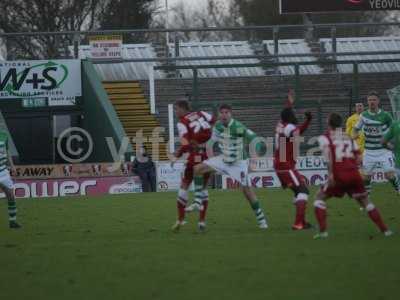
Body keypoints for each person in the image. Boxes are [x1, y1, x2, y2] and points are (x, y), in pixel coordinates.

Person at [314, 113, 392, 239]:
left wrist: (331, 175)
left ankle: (323, 232)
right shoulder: (347, 137)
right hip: (354, 174)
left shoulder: (325, 138)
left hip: (339, 175)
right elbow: (359, 158)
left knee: (319, 197)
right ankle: (386, 230)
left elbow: (329, 159)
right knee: (365, 202)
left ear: (328, 122)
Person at [194, 104, 268, 229]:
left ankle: (262, 220)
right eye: (221, 112)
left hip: (238, 163)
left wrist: (254, 160)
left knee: (247, 191)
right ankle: (197, 200)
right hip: (223, 160)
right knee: (198, 169)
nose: (224, 115)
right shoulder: (217, 126)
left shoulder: (238, 127)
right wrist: (208, 154)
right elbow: (211, 142)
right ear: (218, 114)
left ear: (231, 114)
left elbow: (255, 140)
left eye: (226, 112)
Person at [171, 100, 215, 232]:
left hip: (194, 155)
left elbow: (185, 143)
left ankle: (180, 219)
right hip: (208, 154)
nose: (175, 112)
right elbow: (213, 120)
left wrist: (176, 155)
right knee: (203, 188)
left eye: (176, 109)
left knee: (184, 185)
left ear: (183, 109)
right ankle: (201, 221)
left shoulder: (182, 122)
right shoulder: (201, 113)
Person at [274, 90, 313, 230]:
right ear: (291, 117)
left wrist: (290, 101)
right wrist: (308, 119)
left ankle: (302, 221)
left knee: (299, 192)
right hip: (285, 165)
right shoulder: (289, 127)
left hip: (283, 164)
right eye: (293, 113)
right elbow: (298, 131)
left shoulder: (281, 124)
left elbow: (286, 112)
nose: (295, 115)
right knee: (303, 191)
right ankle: (298, 224)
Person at [352, 91, 400, 195]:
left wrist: (392, 143)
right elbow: (355, 129)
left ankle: (397, 187)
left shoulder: (386, 115)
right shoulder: (363, 115)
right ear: (367, 102)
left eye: (374, 100)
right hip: (369, 152)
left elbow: (394, 129)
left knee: (390, 175)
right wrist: (354, 134)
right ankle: (367, 198)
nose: (371, 102)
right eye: (369, 100)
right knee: (365, 178)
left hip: (384, 151)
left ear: (378, 101)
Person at [0, 130, 20, 229]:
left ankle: (12, 222)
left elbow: (7, 152)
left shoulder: (4, 135)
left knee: (11, 196)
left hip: (3, 170)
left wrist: (12, 166)